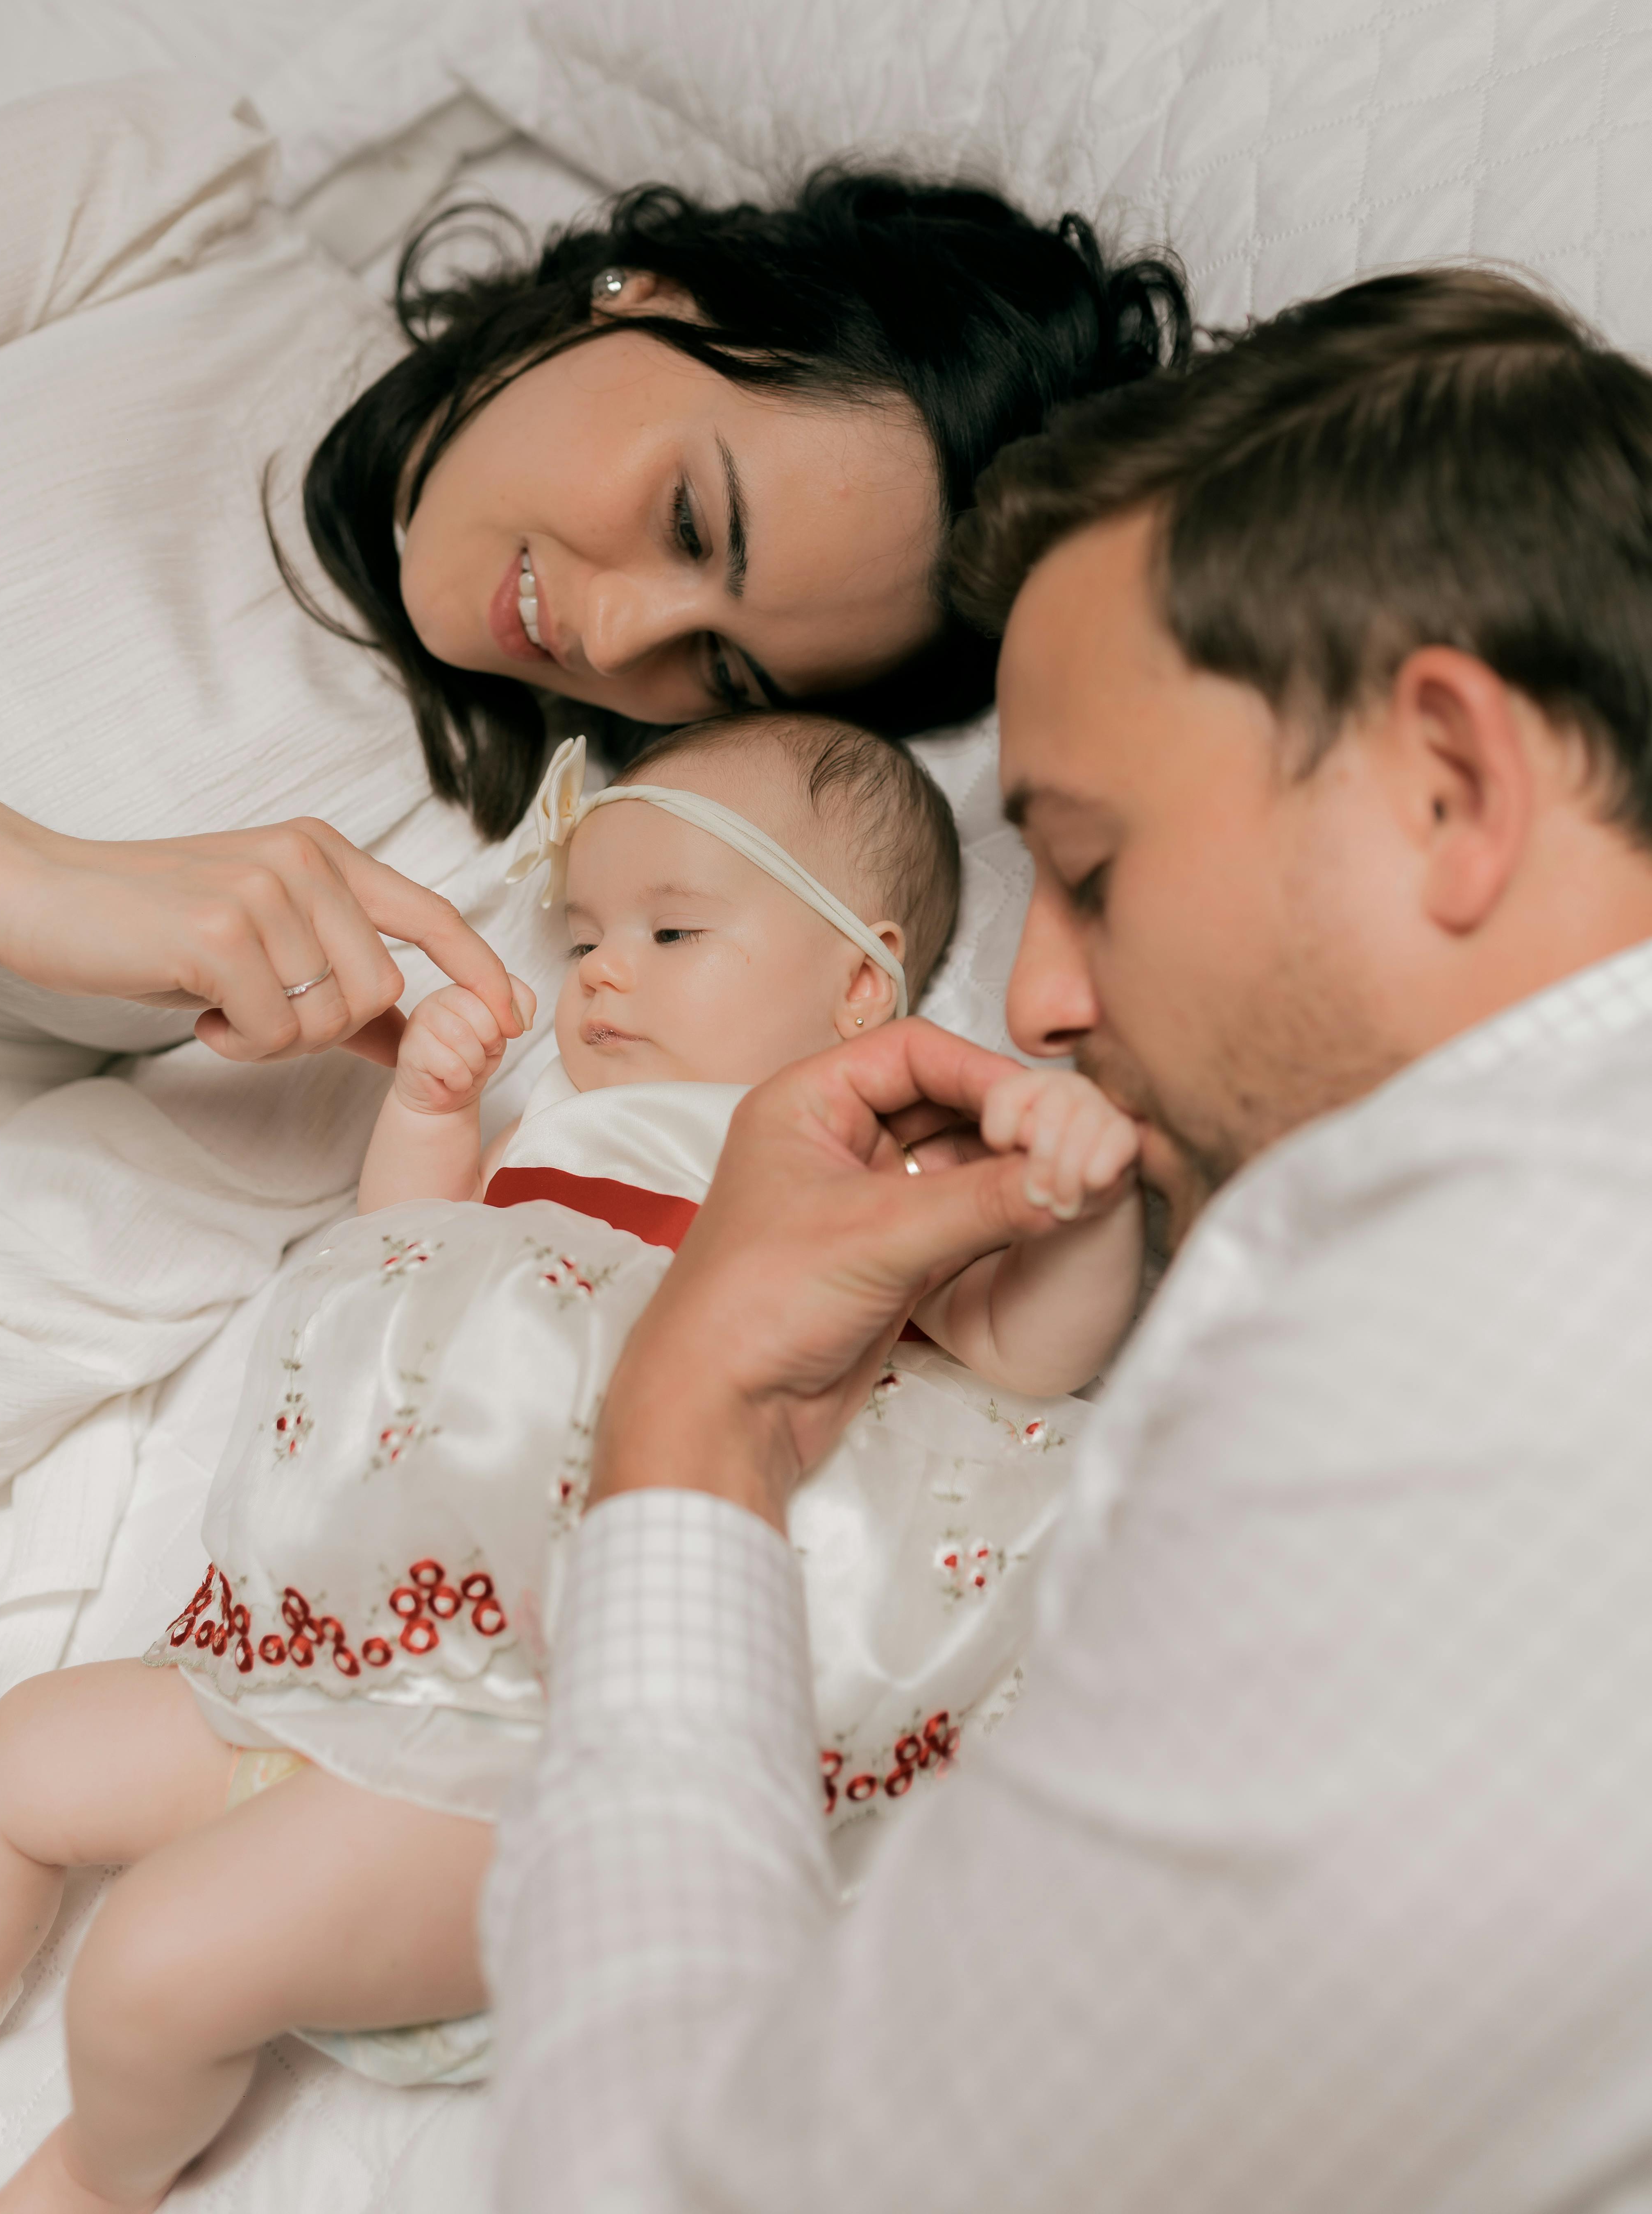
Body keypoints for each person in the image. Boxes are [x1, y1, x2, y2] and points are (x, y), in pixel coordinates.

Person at [483, 267, 1652, 2212]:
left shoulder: (1474, 1382)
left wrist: (687, 1421)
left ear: (1448, 783)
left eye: (1089, 871)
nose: (1033, 996)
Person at [0, 73, 1184, 1554]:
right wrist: (14, 875)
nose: (614, 633)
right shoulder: (157, 217)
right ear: (643, 295)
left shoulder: (475, 912)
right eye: (690, 522)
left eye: (717, 667)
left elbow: (65, 1267)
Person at [0, 714, 1142, 2213]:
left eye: (672, 928)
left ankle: (89, 2175)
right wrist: (433, 1119)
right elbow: (409, 1261)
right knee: (15, 1761)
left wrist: (1070, 1189)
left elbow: (1026, 1351)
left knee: (158, 1963)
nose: (604, 972)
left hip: (547, 1741)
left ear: (859, 982)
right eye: (583, 939)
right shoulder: (567, 1128)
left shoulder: (871, 1171)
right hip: (332, 1658)